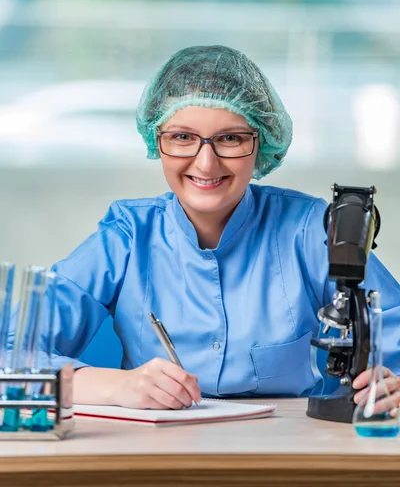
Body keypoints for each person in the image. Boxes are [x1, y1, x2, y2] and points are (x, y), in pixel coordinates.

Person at [7, 45, 400, 411]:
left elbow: (392, 329)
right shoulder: (127, 235)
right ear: (155, 140)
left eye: (230, 138)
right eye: (182, 137)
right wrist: (117, 386)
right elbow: (13, 356)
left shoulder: (309, 228)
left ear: (262, 144)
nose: (206, 163)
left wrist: (390, 386)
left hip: (290, 459)